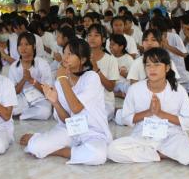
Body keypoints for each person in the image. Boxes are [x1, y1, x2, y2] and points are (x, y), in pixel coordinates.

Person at [108, 48, 189, 167]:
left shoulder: (178, 90)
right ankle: (162, 154)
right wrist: (148, 112)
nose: (152, 69)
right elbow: (126, 118)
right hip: (143, 136)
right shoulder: (135, 89)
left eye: (157, 64)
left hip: (171, 135)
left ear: (167, 68)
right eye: (148, 65)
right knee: (113, 150)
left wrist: (160, 113)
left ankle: (158, 153)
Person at [21, 38, 111, 166]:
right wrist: (55, 103)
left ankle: (61, 151)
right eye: (65, 53)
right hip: (71, 129)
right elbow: (66, 120)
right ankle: (44, 141)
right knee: (35, 146)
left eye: (71, 54)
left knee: (98, 156)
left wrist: (62, 77)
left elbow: (76, 108)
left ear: (83, 60)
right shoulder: (59, 82)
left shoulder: (91, 77)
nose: (65, 57)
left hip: (92, 132)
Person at [9, 32, 52, 120]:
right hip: (21, 97)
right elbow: (13, 92)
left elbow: (48, 91)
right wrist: (24, 80)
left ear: (34, 46)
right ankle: (25, 112)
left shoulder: (42, 63)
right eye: (20, 45)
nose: (23, 48)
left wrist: (32, 80)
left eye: (27, 44)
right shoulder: (13, 66)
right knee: (9, 107)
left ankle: (21, 115)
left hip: (39, 96)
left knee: (45, 112)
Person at [87, 24, 119, 120]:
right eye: (89, 35)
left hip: (104, 102)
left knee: (96, 118)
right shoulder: (81, 58)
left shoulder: (111, 60)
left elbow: (110, 87)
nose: (92, 38)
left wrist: (96, 69)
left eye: (96, 35)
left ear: (104, 39)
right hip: (86, 100)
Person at [110, 34, 133, 98]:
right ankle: (118, 94)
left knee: (131, 86)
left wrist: (124, 74)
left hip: (124, 84)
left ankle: (120, 94)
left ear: (121, 47)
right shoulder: (109, 58)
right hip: (112, 85)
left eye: (113, 44)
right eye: (110, 44)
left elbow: (133, 77)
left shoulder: (128, 58)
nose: (110, 46)